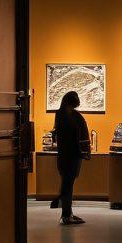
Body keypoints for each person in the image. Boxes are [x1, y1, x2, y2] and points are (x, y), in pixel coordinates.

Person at [53, 90, 90, 226]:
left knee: (67, 185)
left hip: (65, 156)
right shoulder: (71, 116)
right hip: (71, 155)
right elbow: (77, 136)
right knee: (68, 186)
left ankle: (68, 213)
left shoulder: (61, 115)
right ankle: (66, 215)